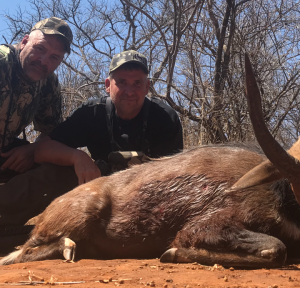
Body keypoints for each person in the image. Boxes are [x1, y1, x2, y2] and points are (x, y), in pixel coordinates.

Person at [0, 50, 183, 231]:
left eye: (137, 83)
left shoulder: (165, 118)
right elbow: (42, 150)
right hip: (98, 189)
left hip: (148, 195)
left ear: (147, 87)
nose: (129, 91)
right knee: (55, 172)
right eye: (122, 82)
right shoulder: (92, 112)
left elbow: (176, 177)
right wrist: (77, 157)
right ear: (107, 85)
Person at [0, 17, 73, 180]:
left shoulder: (49, 83)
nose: (43, 61)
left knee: (64, 169)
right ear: (25, 41)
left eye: (54, 57)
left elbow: (52, 132)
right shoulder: (2, 61)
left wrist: (32, 151)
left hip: (6, 154)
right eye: (40, 48)